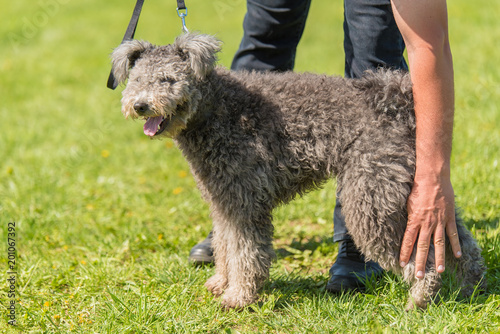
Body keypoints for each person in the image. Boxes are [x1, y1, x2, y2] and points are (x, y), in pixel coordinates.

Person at [189, 0, 462, 291]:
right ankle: (234, 217)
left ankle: (365, 239)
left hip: (368, 128)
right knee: (265, 34)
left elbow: (429, 46)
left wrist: (433, 178)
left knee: (374, 46)